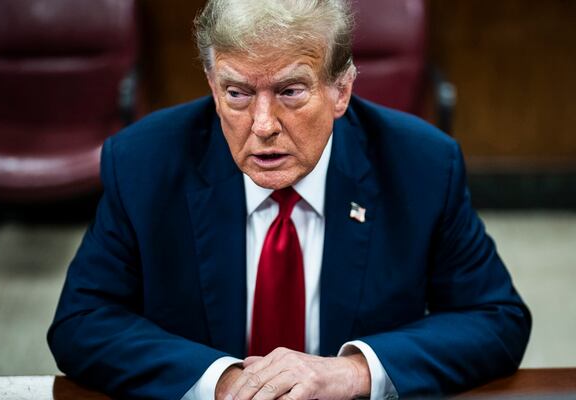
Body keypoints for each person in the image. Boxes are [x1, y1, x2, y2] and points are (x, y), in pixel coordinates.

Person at [48, 0, 531, 399]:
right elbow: (82, 322)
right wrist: (223, 381)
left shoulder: (421, 165)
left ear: (341, 90)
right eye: (237, 93)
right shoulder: (143, 162)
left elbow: (496, 320)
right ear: (213, 89)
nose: (262, 125)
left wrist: (354, 371)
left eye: (291, 91)